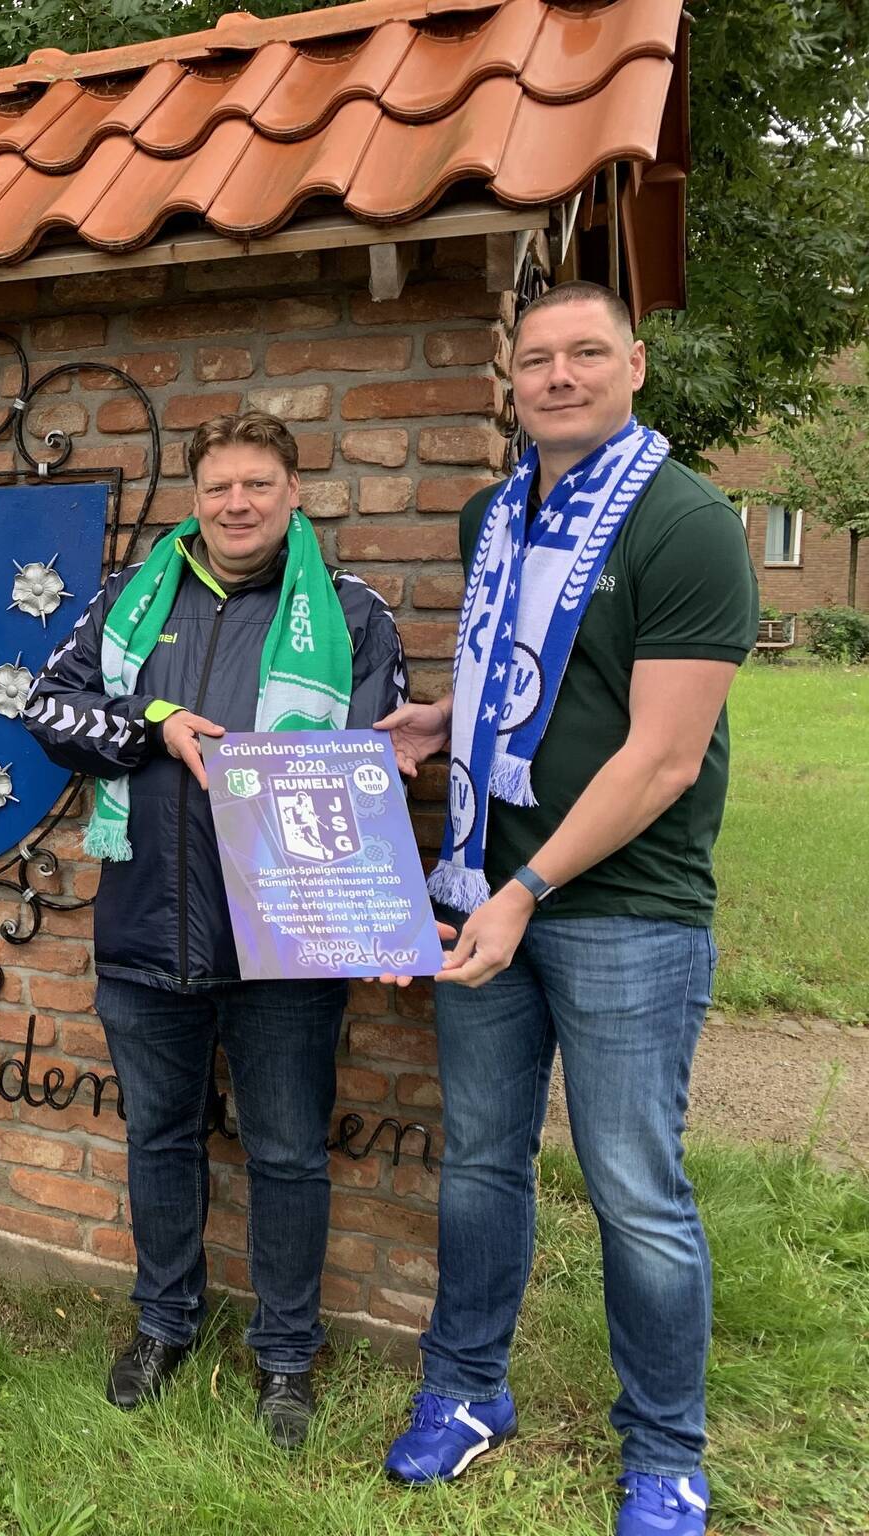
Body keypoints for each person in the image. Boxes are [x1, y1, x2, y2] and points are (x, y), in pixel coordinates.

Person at [375, 281, 757, 1536]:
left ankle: (662, 1452)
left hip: (619, 913)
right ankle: (468, 1389)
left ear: (632, 364)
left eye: (583, 353)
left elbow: (657, 757)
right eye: (534, 358)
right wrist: (441, 719)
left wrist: (531, 890)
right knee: (479, 1161)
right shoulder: (498, 510)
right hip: (480, 892)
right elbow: (517, 671)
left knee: (632, 1188)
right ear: (511, 379)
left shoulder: (685, 519)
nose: (555, 376)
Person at [23, 412, 407, 1445]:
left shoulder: (353, 615)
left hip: (283, 940)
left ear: (292, 493)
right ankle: (163, 1323)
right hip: (146, 926)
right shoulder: (129, 602)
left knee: (285, 1153)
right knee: (158, 1138)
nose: (235, 503)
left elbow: (371, 772)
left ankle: (284, 1357)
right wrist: (151, 724)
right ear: (193, 497)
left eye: (256, 484)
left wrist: (384, 915)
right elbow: (45, 712)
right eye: (217, 486)